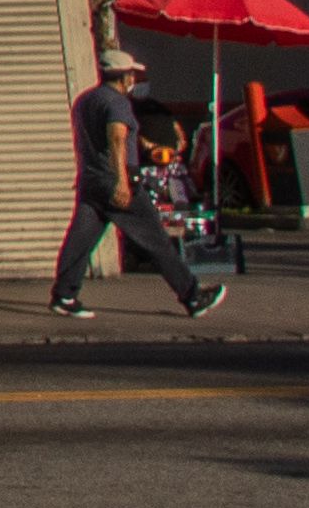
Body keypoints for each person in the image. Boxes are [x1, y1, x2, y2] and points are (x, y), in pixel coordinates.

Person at [49, 46, 224, 319]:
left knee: (80, 239)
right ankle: (192, 296)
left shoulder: (85, 100)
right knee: (156, 241)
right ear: (123, 77)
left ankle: (64, 295)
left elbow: (84, 142)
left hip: (91, 180)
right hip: (117, 181)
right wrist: (121, 182)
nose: (134, 80)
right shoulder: (117, 103)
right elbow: (117, 138)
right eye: (132, 74)